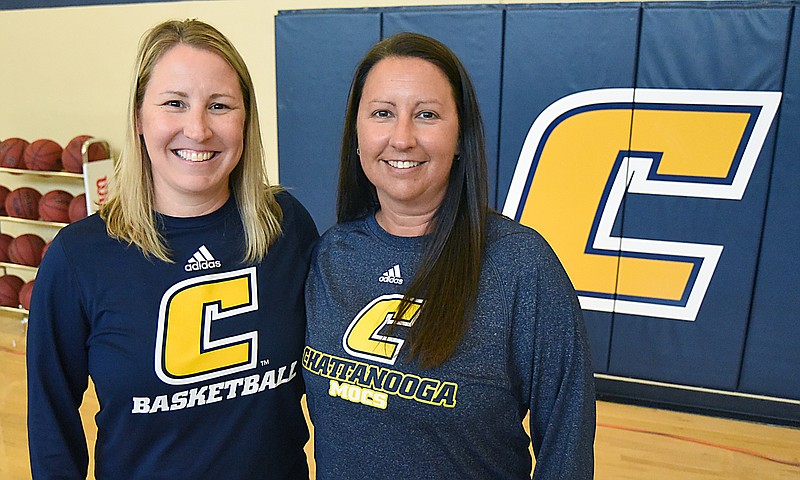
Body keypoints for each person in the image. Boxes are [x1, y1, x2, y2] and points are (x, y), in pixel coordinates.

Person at [27, 19, 317, 479]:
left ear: (246, 120)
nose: (198, 129)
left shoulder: (287, 226)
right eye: (174, 104)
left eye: (219, 105)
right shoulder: (79, 257)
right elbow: (51, 422)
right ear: (140, 118)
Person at [302, 32, 595, 479]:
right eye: (382, 113)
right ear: (357, 134)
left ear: (460, 137)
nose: (402, 138)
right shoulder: (330, 256)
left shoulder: (520, 265)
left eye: (427, 115)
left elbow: (567, 444)